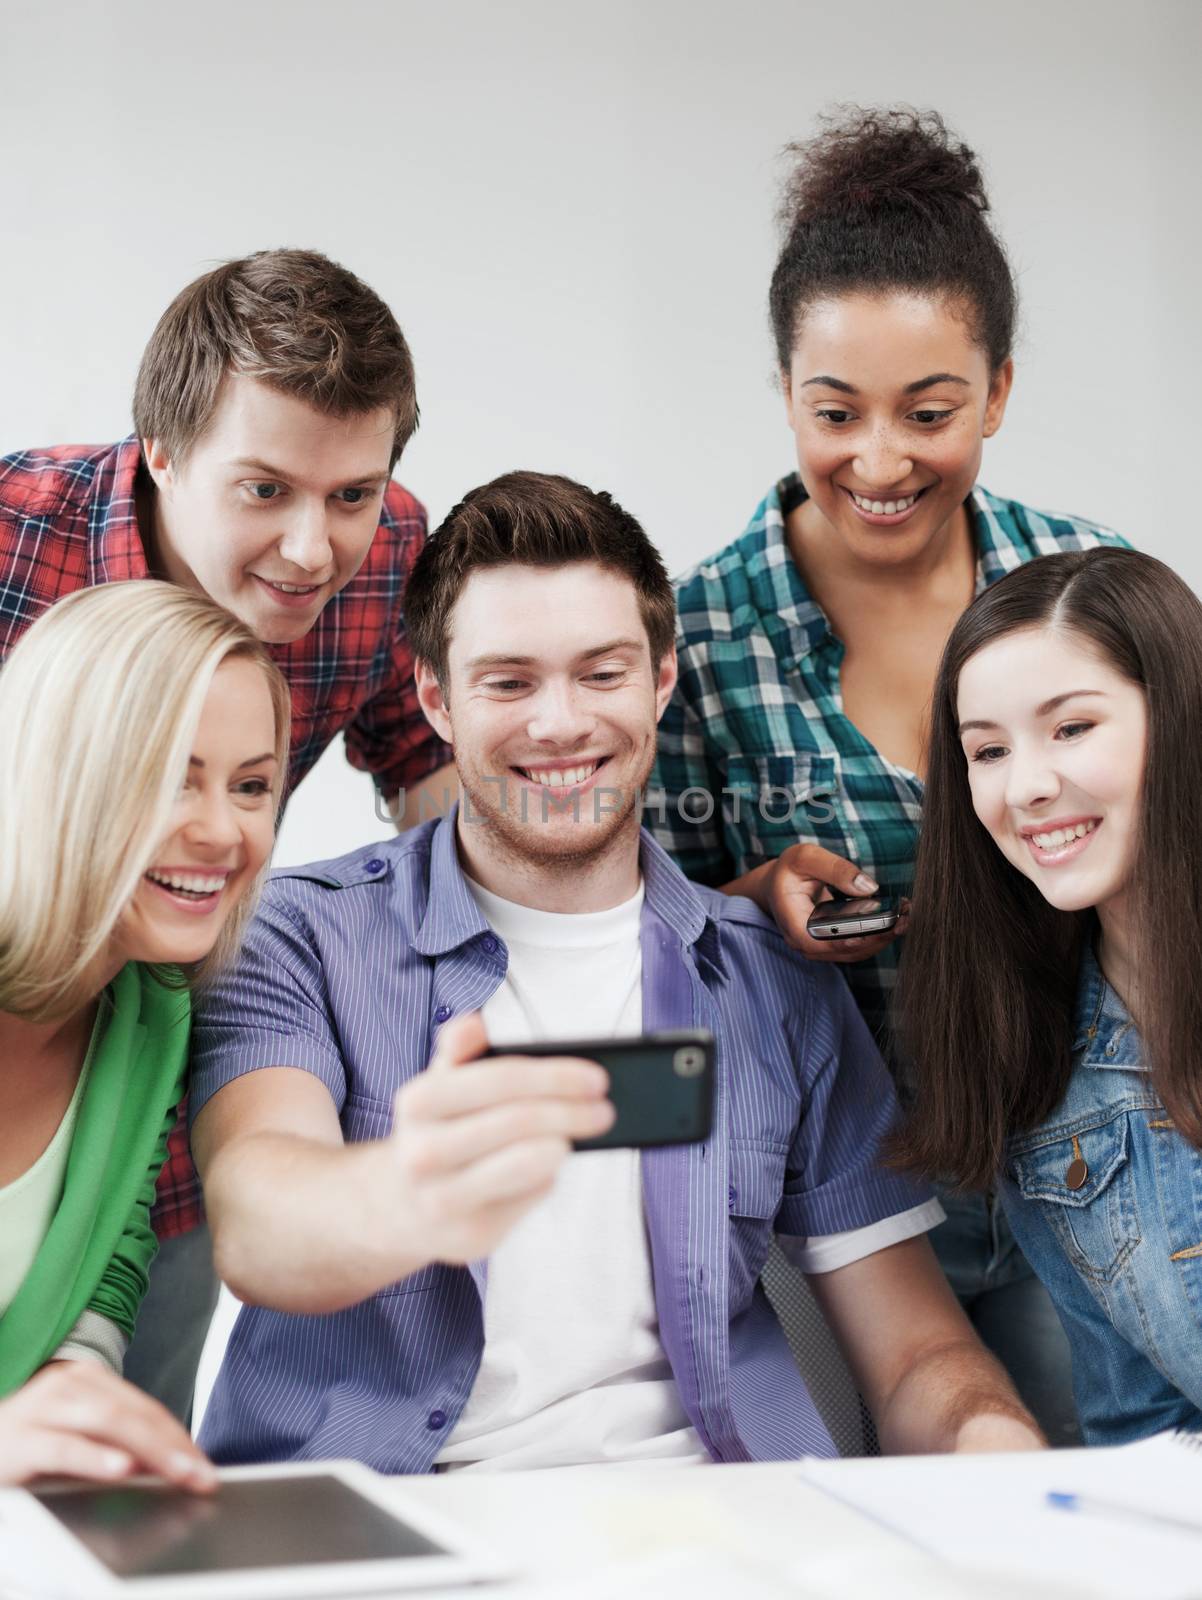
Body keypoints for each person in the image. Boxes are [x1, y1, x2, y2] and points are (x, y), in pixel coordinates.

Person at [189, 470, 1043, 1470]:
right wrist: (407, 1191)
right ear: (435, 697)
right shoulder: (294, 937)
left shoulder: (770, 979)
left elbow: (914, 1358)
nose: (560, 725)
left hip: (711, 1529)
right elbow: (258, 1220)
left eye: (600, 673)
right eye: (508, 681)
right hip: (388, 1532)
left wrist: (995, 1449)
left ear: (660, 680)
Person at [650, 106, 1128, 1442]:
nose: (877, 460)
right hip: (833, 1199)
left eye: (929, 412)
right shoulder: (700, 631)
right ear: (782, 393)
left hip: (1074, 1163)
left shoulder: (1082, 589)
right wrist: (754, 898)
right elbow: (645, 937)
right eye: (833, 410)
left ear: (998, 393)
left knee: (1083, 1515)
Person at [0, 247, 452, 1421]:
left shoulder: (385, 557)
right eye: (265, 491)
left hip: (136, 1088)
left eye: (351, 493)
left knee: (103, 1429)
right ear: (159, 448)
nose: (314, 549)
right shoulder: (11, 536)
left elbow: (433, 777)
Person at [893, 547, 1202, 1445]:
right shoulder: (1040, 1081)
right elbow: (1145, 1435)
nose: (1024, 786)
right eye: (988, 750)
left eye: (1071, 728)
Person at [0, 581, 288, 1486]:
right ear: (60, 772)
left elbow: (105, 1268)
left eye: (251, 786)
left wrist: (75, 1398)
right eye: (171, 777)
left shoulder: (151, 1009)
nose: (222, 830)